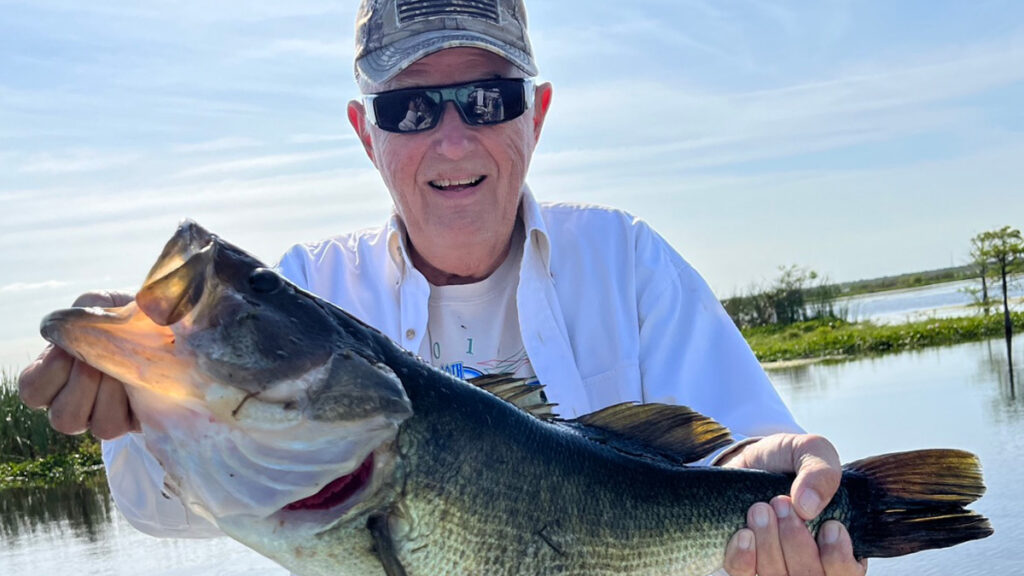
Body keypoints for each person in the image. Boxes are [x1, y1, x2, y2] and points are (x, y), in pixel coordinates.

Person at [17, 1, 869, 574]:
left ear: (535, 116)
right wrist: (133, 403)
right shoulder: (318, 284)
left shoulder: (628, 262)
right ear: (366, 133)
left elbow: (735, 456)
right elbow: (158, 510)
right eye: (411, 111)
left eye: (486, 99)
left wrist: (789, 495)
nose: (454, 141)